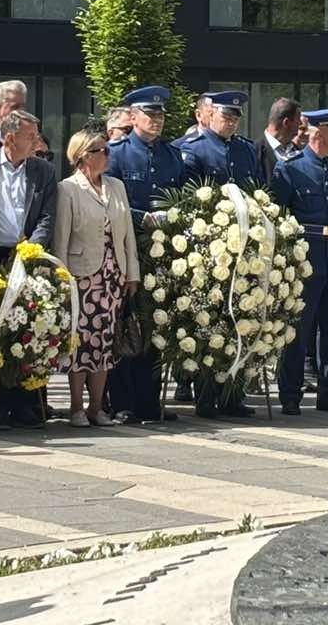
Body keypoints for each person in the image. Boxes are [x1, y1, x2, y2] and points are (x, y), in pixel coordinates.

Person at [0, 108, 57, 427]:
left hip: (26, 255)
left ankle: (24, 402)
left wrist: (33, 247)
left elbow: (47, 215)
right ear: (9, 138)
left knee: (27, 326)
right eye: (29, 136)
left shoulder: (43, 171)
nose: (36, 141)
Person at [272, 107, 328, 415]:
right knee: (298, 330)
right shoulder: (290, 168)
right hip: (305, 259)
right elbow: (279, 217)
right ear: (320, 133)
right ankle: (290, 393)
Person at [106, 88, 183, 422]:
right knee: (125, 323)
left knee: (156, 322)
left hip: (163, 250)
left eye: (160, 115)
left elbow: (183, 196)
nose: (156, 121)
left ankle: (149, 400)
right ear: (133, 117)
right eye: (150, 115)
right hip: (128, 246)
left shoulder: (172, 155)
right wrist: (143, 218)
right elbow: (111, 200)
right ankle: (122, 401)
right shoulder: (117, 153)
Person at [53, 128, 137, 427]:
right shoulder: (68, 189)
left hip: (113, 276)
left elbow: (128, 234)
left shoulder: (116, 186)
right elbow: (61, 238)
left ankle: (97, 407)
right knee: (81, 342)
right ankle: (76, 407)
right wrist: (62, 279)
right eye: (101, 150)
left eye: (107, 149)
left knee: (105, 342)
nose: (107, 155)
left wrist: (132, 273)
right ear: (83, 156)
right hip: (82, 276)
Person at [177, 91, 264, 187]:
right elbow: (188, 189)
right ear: (211, 115)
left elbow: (259, 185)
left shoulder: (247, 149)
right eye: (226, 118)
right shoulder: (194, 149)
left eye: (235, 119)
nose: (231, 123)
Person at [260, 98, 303, 184]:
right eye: (298, 121)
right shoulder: (253, 152)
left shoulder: (300, 153)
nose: (300, 124)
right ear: (286, 123)